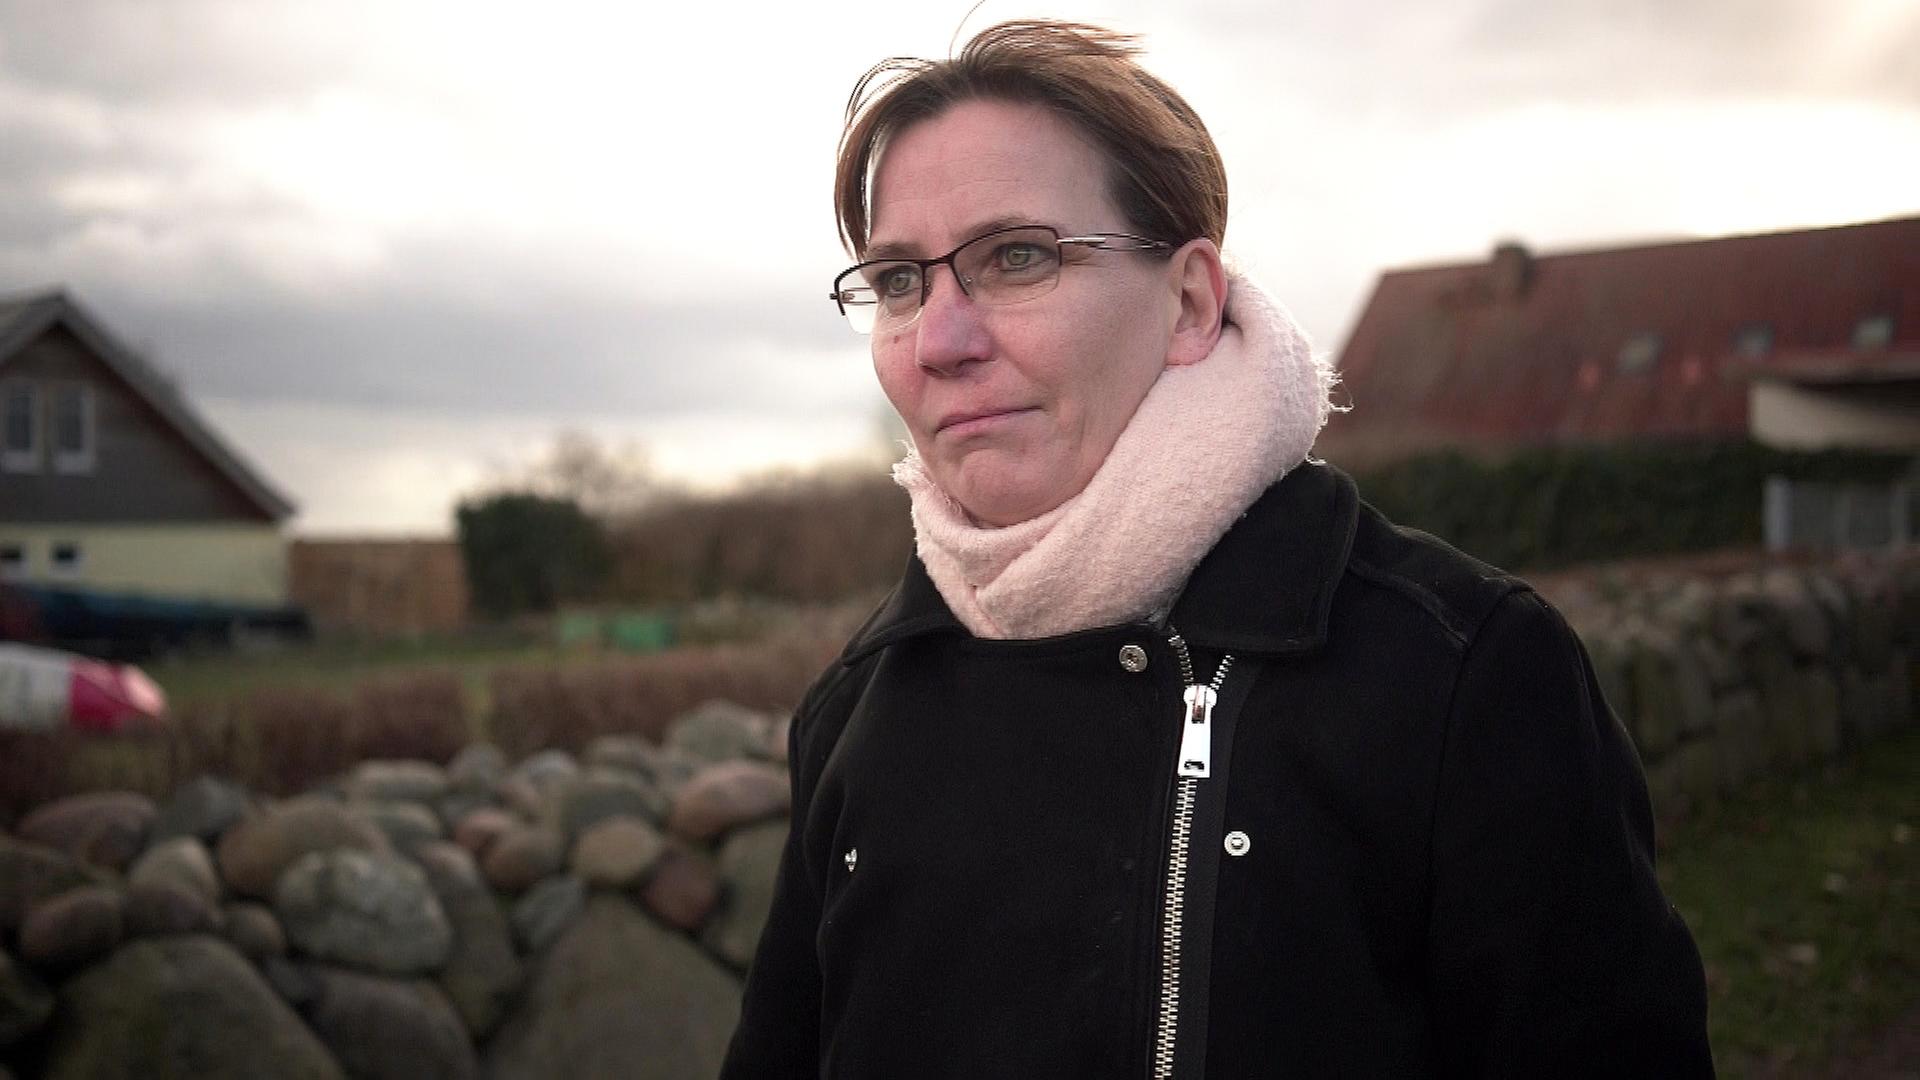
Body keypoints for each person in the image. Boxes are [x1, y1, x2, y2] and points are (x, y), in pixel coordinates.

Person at [723, 19, 1713, 1079]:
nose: (939, 340)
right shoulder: (857, 708)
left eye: (1017, 257)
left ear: (1190, 301)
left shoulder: (1461, 672)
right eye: (897, 282)